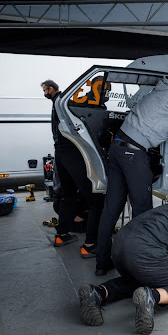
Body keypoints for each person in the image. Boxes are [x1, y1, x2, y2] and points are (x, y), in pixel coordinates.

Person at [95, 68, 168, 276]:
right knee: (143, 212)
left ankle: (102, 262)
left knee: (111, 209)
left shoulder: (166, 87)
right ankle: (143, 266)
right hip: (134, 154)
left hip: (118, 148)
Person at [77, 200, 168, 335]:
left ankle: (97, 292)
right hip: (144, 251)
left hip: (120, 243)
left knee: (138, 279)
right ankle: (151, 297)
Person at [42, 80, 104, 257]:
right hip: (73, 153)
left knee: (68, 196)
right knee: (96, 200)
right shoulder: (67, 100)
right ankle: (90, 245)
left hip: (60, 153)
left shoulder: (60, 102)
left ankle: (61, 236)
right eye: (101, 89)